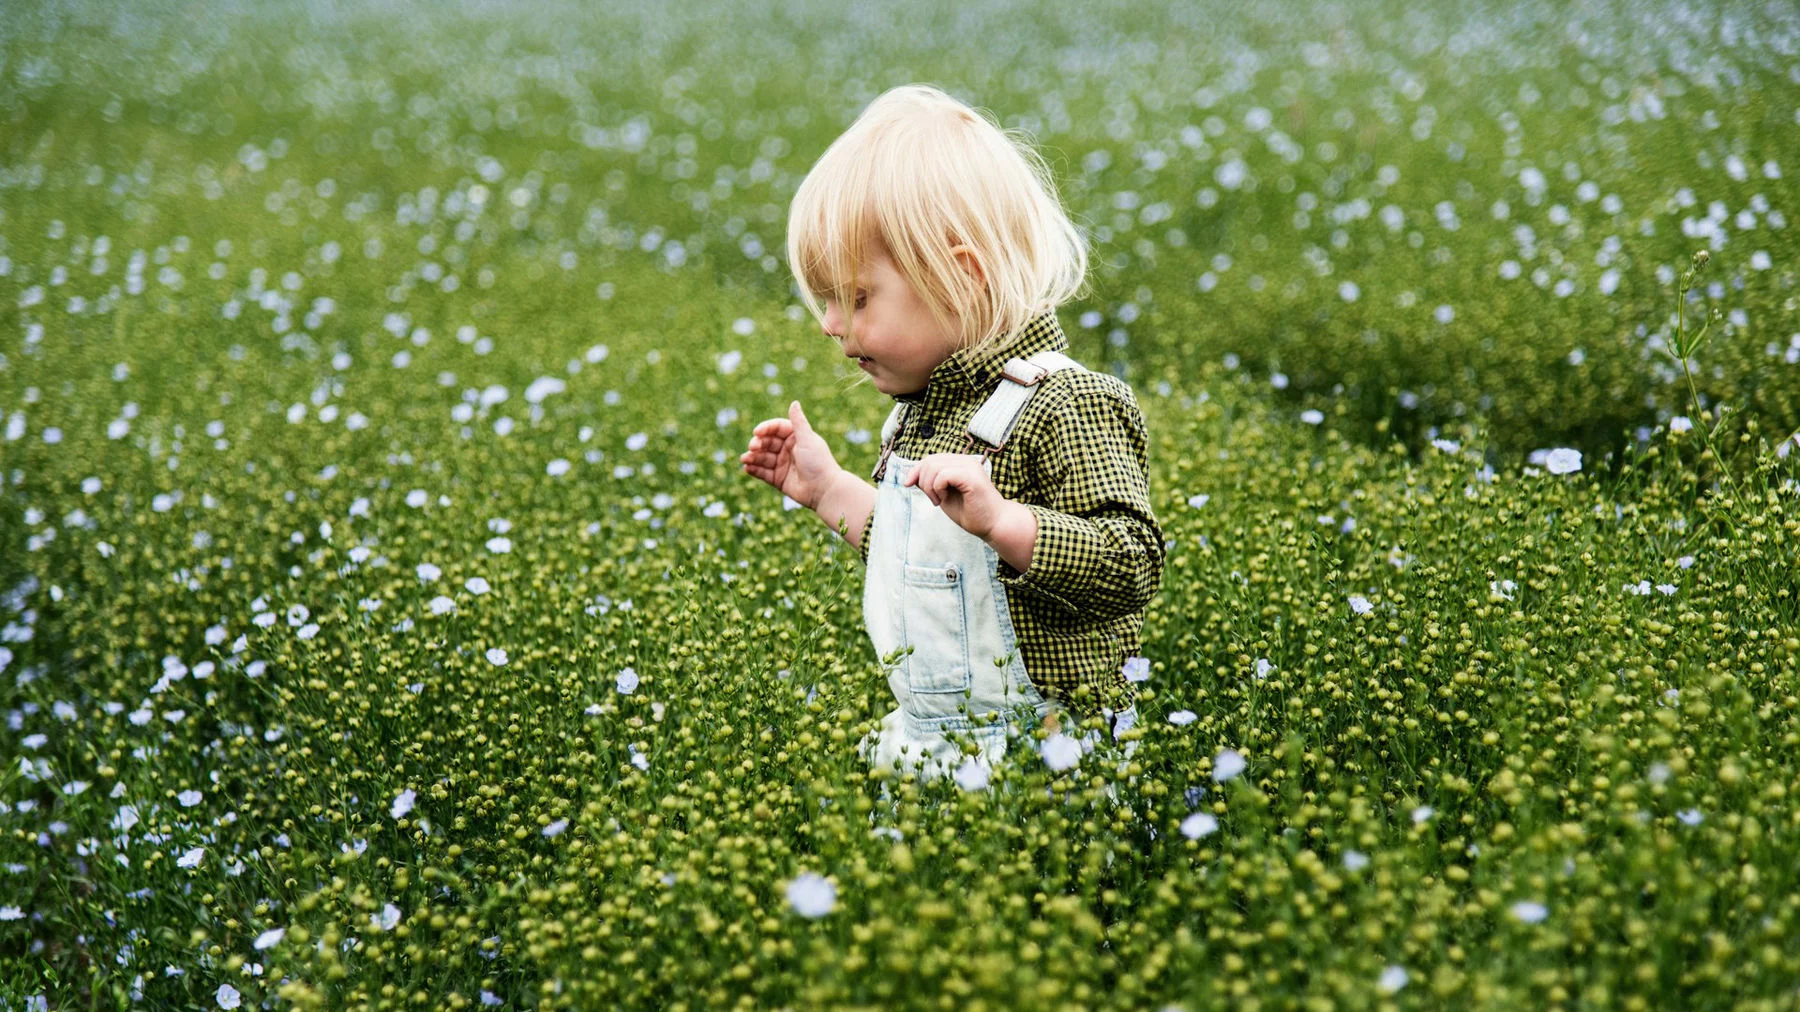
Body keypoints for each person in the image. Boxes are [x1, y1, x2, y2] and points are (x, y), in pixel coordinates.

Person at [739, 84, 1164, 785]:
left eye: (857, 296)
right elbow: (922, 557)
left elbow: (1132, 564)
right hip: (929, 747)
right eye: (826, 301)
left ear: (958, 278)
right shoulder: (920, 413)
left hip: (1051, 752)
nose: (830, 325)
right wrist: (828, 491)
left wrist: (1006, 522)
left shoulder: (1067, 404)